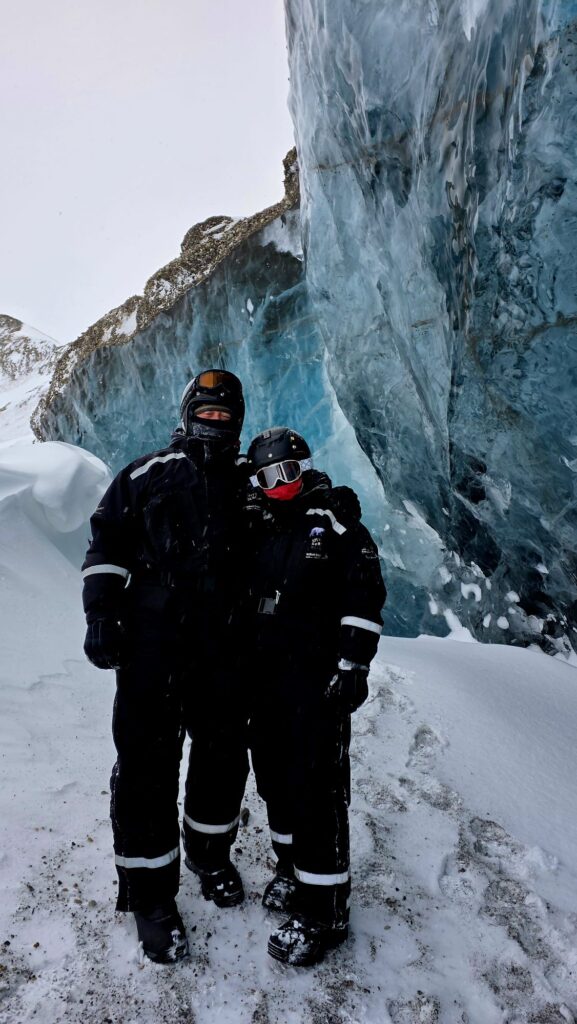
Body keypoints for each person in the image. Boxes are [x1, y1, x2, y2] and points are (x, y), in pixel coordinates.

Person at [81, 369, 250, 964]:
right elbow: (105, 542)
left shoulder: (249, 483)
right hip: (151, 647)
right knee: (147, 765)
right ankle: (151, 896)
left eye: (226, 418)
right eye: (206, 414)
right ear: (187, 414)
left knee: (223, 758)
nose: (215, 425)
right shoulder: (145, 474)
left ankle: (209, 853)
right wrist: (100, 614)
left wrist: (326, 498)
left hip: (224, 649)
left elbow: (294, 514)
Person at [241, 426, 386, 967]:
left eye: (289, 471)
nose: (280, 484)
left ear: (303, 468)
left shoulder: (333, 520)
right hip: (263, 679)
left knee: (316, 788)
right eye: (268, 475)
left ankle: (325, 909)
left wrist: (352, 663)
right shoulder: (257, 523)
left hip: (314, 679)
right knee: (274, 779)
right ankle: (291, 867)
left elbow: (365, 592)